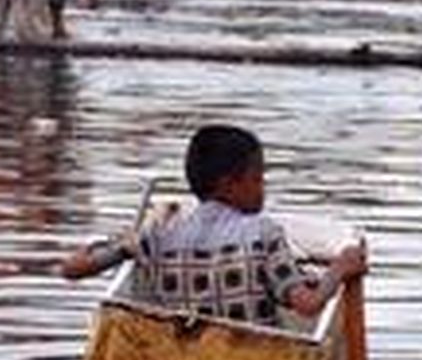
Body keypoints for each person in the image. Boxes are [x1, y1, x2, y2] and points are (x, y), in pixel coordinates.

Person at [61, 125, 368, 327]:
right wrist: (340, 268)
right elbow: (308, 305)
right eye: (257, 178)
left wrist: (117, 243)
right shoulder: (263, 234)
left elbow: (72, 269)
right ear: (228, 184)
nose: (263, 187)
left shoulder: (158, 234)